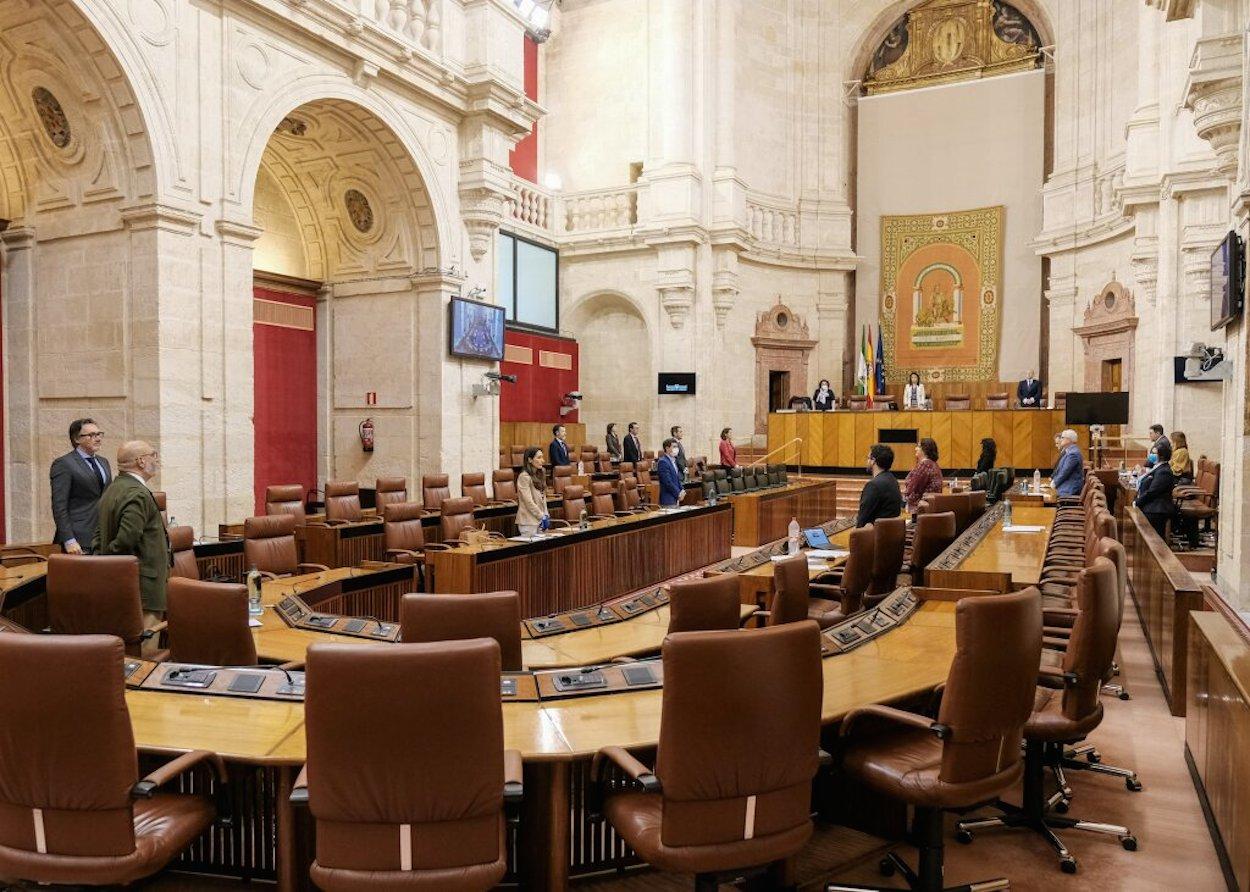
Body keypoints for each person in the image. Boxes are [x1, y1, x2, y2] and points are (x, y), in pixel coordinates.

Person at [92, 441, 170, 646]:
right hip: (145, 584)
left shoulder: (113, 488)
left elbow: (98, 533)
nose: (157, 460)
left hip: (122, 580)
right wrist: (109, 558)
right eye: (153, 455)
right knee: (146, 651)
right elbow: (127, 538)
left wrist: (100, 561)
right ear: (141, 461)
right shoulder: (137, 493)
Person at [50, 418, 112, 554]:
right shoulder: (64, 464)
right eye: (91, 435)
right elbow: (59, 505)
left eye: (99, 434)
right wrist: (69, 540)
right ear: (76, 439)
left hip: (103, 537)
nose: (97, 439)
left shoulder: (104, 462)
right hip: (78, 540)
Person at [1135, 442, 1177, 539]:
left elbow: (1153, 491)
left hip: (1157, 509)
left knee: (1153, 539)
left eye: (1154, 453)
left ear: (1161, 455)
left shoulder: (1164, 471)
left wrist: (1137, 502)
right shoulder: (1157, 467)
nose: (1151, 455)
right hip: (1152, 505)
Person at [857, 444, 903, 528]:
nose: (867, 461)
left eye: (868, 458)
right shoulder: (893, 480)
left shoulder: (873, 485)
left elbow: (862, 520)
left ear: (873, 460)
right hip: (890, 533)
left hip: (875, 535)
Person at [902, 438, 943, 513]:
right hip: (930, 508)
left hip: (921, 511)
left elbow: (914, 488)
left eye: (918, 446)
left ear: (925, 449)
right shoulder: (932, 464)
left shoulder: (925, 465)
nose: (915, 448)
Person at [515, 447, 548, 534]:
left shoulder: (541, 474)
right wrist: (541, 516)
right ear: (530, 459)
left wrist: (546, 515)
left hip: (540, 520)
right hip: (528, 522)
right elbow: (528, 501)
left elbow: (543, 498)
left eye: (542, 457)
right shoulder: (524, 477)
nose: (543, 460)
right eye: (539, 457)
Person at [1050, 429, 1085, 497]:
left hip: (1069, 490)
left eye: (1063, 438)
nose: (1061, 439)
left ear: (1069, 440)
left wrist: (1054, 483)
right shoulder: (1069, 451)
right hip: (1065, 487)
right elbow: (1060, 470)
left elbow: (1065, 472)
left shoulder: (1073, 454)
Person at [657, 437, 685, 507]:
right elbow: (668, 482)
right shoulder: (663, 462)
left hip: (676, 498)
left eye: (677, 447)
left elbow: (677, 479)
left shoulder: (674, 461)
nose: (677, 449)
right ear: (667, 448)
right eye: (674, 447)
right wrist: (678, 493)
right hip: (668, 499)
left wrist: (682, 491)